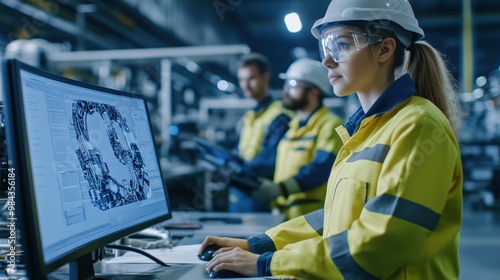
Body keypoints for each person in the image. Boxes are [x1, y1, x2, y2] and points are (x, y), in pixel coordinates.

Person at [200, 0, 463, 279]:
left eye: (342, 45)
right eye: (326, 46)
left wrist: (268, 262)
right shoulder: (365, 131)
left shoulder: (417, 126)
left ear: (385, 48)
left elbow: (379, 245)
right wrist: (260, 244)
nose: (327, 60)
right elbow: (336, 218)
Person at [253, 58, 343, 220]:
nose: (285, 92)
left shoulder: (330, 125)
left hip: (311, 219)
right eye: (286, 85)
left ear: (314, 92)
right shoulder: (292, 126)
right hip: (283, 215)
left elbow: (320, 168)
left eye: (293, 85)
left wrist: (281, 189)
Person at [228, 53, 293, 212]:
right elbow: (240, 150)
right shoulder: (248, 117)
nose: (245, 85)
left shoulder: (280, 116)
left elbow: (269, 162)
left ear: (265, 77)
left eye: (251, 78)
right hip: (241, 189)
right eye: (242, 80)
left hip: (261, 193)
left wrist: (236, 168)